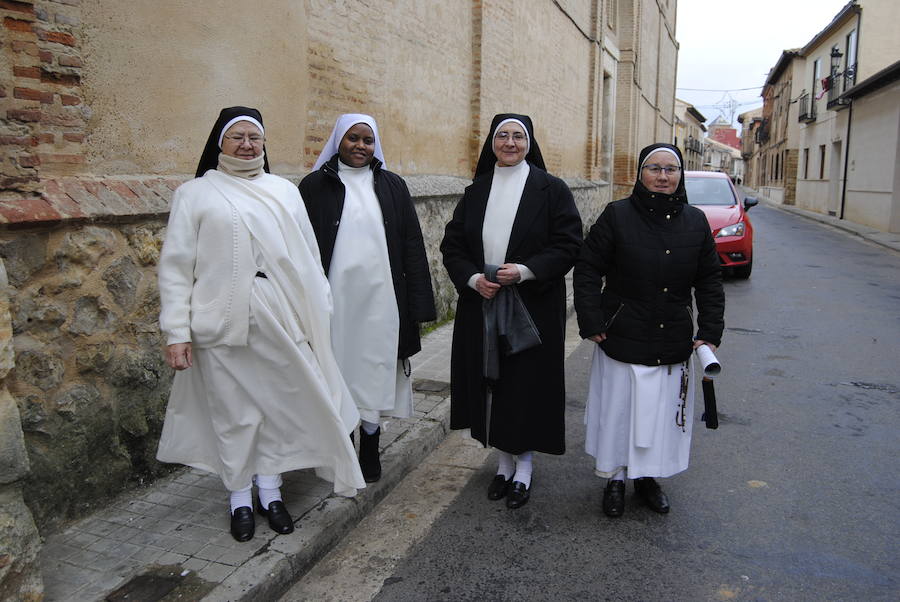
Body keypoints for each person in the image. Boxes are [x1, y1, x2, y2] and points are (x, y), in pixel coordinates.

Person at [157, 106, 365, 543]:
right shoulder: (195, 194)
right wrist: (177, 332)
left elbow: (309, 257)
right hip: (218, 320)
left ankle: (270, 491)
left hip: (280, 315)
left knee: (277, 406)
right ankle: (238, 496)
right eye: (237, 137)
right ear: (220, 142)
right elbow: (176, 268)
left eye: (255, 137)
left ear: (264, 143)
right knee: (232, 412)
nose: (247, 144)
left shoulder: (284, 192)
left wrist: (318, 312)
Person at [573, 143, 724, 518]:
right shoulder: (617, 216)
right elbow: (588, 268)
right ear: (640, 174)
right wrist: (591, 320)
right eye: (654, 168)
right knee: (619, 413)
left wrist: (709, 330)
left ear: (680, 175)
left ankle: (647, 479)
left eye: (670, 169)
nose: (662, 176)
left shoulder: (695, 221)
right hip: (622, 334)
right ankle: (615, 478)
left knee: (657, 416)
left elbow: (709, 281)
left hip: (671, 336)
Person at [441, 113, 582, 509]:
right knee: (492, 381)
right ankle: (502, 463)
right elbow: (452, 246)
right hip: (483, 300)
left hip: (531, 303)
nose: (509, 142)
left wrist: (524, 270)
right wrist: (472, 279)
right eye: (502, 135)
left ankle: (524, 466)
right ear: (491, 143)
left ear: (529, 142)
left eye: (518, 136)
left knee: (525, 383)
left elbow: (569, 243)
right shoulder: (477, 190)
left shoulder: (551, 189)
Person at [299, 114, 436, 482]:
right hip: (334, 301)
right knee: (337, 369)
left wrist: (420, 303)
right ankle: (341, 446)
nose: (360, 146)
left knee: (375, 371)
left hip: (382, 300)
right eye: (353, 138)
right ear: (338, 141)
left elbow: (411, 244)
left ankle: (371, 445)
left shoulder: (393, 185)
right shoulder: (314, 186)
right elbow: (300, 245)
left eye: (368, 140)